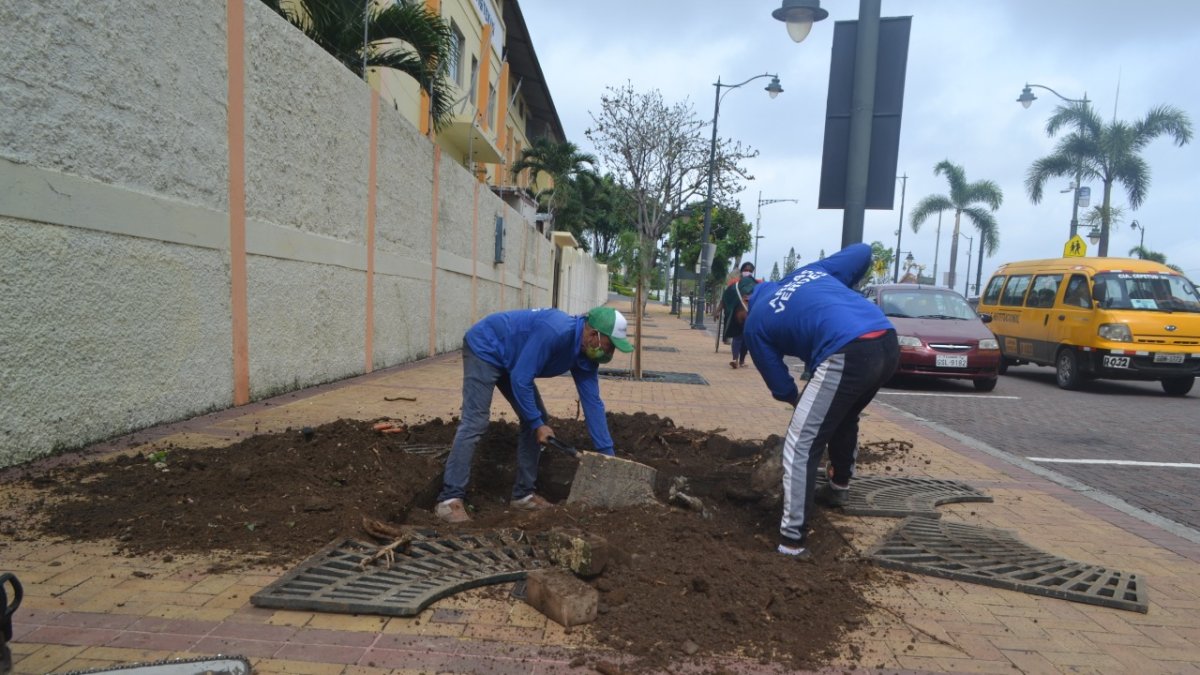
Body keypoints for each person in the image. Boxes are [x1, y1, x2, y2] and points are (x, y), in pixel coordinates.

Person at [742, 243, 899, 559]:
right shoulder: (808, 272)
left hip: (846, 350)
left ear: (746, 301)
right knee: (845, 415)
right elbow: (863, 251)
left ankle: (791, 540)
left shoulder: (755, 320)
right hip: (886, 340)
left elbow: (781, 385)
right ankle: (839, 487)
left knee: (801, 444)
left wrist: (799, 404)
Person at [434, 306, 634, 523]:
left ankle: (523, 496)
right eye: (610, 346)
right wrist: (536, 423)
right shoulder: (556, 331)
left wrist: (608, 456)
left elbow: (593, 404)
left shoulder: (585, 357)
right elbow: (521, 379)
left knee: (538, 420)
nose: (610, 353)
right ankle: (449, 500)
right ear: (594, 334)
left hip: (514, 359)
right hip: (486, 346)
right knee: (476, 421)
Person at [715, 262, 759, 368]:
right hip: (737, 317)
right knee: (738, 337)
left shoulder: (757, 286)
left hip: (751, 317)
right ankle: (735, 359)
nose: (747, 272)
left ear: (752, 272)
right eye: (746, 270)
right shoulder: (735, 286)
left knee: (745, 340)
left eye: (749, 270)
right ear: (742, 271)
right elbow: (725, 298)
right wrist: (717, 311)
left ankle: (741, 361)